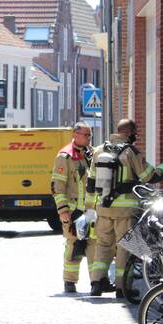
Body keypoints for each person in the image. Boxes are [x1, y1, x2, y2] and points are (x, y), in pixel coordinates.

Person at [85, 118, 163, 297]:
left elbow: (91, 183)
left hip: (103, 208)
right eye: (135, 134)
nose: (136, 137)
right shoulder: (130, 152)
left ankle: (96, 283)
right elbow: (149, 176)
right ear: (129, 133)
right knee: (126, 247)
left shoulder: (99, 151)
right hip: (126, 210)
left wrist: (91, 210)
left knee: (103, 245)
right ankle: (122, 287)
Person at [51, 122, 94, 293]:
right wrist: (63, 210)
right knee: (73, 245)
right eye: (86, 135)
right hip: (73, 211)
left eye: (90, 135)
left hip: (91, 210)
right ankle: (69, 281)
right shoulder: (64, 156)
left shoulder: (90, 154)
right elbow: (57, 186)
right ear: (75, 134)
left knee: (94, 246)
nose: (89, 138)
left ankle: (96, 282)